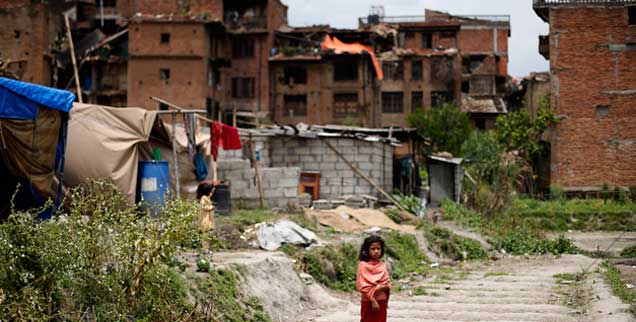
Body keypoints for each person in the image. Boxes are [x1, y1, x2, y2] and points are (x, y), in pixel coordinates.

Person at [356, 235, 391, 322]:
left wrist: (382, 287)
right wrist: (373, 301)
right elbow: (362, 287)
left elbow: (387, 284)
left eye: (378, 249)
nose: (376, 251)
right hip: (368, 302)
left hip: (382, 300)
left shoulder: (382, 265)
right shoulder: (363, 265)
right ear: (367, 250)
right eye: (373, 249)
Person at [196, 182, 216, 250]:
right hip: (205, 220)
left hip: (209, 219)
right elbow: (203, 206)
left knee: (209, 235)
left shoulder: (206, 198)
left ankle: (207, 248)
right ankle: (204, 249)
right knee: (205, 235)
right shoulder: (203, 198)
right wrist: (210, 207)